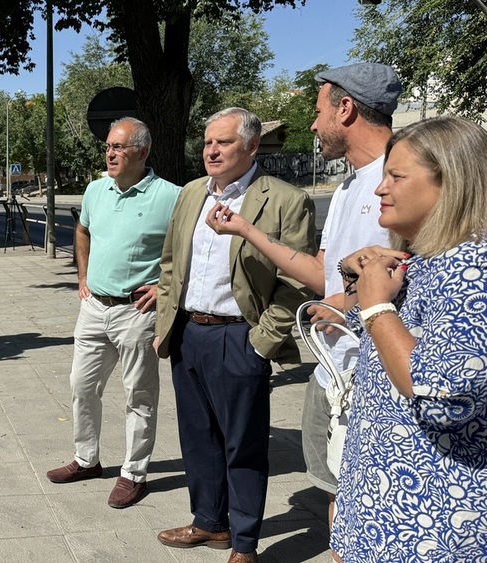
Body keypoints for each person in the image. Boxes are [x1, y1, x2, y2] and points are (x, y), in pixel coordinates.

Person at [203, 62, 401, 547]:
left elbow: (413, 265)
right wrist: (246, 230)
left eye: (318, 112)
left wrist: (350, 299)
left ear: (346, 109)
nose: (313, 124)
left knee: (364, 503)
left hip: (377, 373)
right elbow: (323, 273)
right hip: (332, 369)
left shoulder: (403, 180)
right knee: (335, 491)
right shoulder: (350, 185)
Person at [155, 108, 316, 563]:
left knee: (242, 444)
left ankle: (244, 543)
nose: (211, 150)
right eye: (208, 142)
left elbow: (298, 281)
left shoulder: (285, 200)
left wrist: (262, 341)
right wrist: (165, 325)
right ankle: (209, 523)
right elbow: (170, 264)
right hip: (189, 334)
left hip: (239, 338)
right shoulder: (190, 194)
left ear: (250, 146)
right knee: (197, 437)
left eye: (223, 143)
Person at [331, 116, 487, 562]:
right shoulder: (424, 260)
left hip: (433, 527)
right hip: (388, 514)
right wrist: (360, 282)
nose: (381, 189)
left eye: (396, 176)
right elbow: (384, 350)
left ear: (451, 180)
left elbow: (438, 392)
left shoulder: (473, 269)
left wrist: (378, 305)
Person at [45, 117, 181, 509]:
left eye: (119, 147)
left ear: (142, 152)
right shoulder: (95, 189)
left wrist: (164, 287)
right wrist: (83, 276)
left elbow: (188, 246)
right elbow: (83, 230)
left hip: (136, 312)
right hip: (94, 308)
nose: (110, 153)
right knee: (81, 386)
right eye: (108, 146)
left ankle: (134, 474)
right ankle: (86, 459)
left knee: (139, 394)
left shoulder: (169, 196)